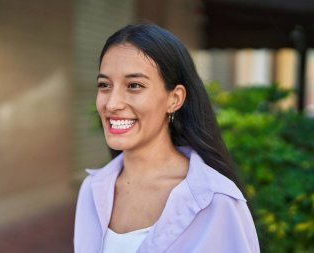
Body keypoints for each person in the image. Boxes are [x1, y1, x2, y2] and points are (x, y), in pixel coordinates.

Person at [74, 23, 260, 253]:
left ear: (175, 98)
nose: (112, 104)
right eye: (104, 85)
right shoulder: (92, 191)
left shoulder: (217, 202)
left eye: (134, 85)